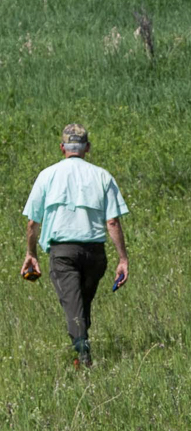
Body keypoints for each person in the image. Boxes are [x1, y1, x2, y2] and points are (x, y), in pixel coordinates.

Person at [20, 124, 130, 368]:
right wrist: (123, 259)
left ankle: (83, 358)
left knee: (73, 307)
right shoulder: (102, 176)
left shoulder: (47, 175)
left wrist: (31, 253)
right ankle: (81, 348)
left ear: (62, 148)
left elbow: (32, 223)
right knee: (82, 304)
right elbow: (112, 221)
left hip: (63, 253)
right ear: (87, 148)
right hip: (95, 254)